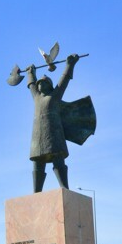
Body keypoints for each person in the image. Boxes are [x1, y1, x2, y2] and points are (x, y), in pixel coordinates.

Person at [26, 54, 81, 193]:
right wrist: (30, 73)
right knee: (37, 162)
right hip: (38, 135)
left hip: (54, 133)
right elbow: (31, 85)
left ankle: (64, 187)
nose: (40, 84)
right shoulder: (36, 97)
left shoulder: (55, 96)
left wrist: (70, 65)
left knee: (58, 159)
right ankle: (36, 191)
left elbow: (64, 81)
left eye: (44, 83)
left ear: (49, 86)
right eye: (39, 83)